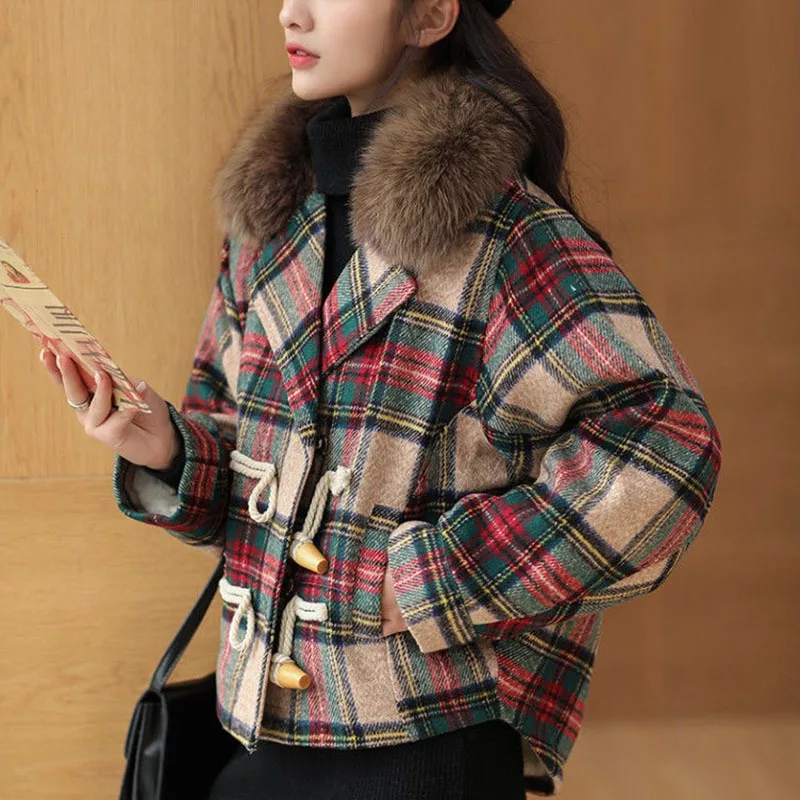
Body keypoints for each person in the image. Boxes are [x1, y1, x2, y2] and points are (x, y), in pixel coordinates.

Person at [39, 0, 722, 797]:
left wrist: (436, 577)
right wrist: (164, 449)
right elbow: (246, 477)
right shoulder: (270, 226)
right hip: (261, 733)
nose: (292, 13)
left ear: (430, 14)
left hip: (427, 743)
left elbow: (666, 452)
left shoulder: (507, 237)